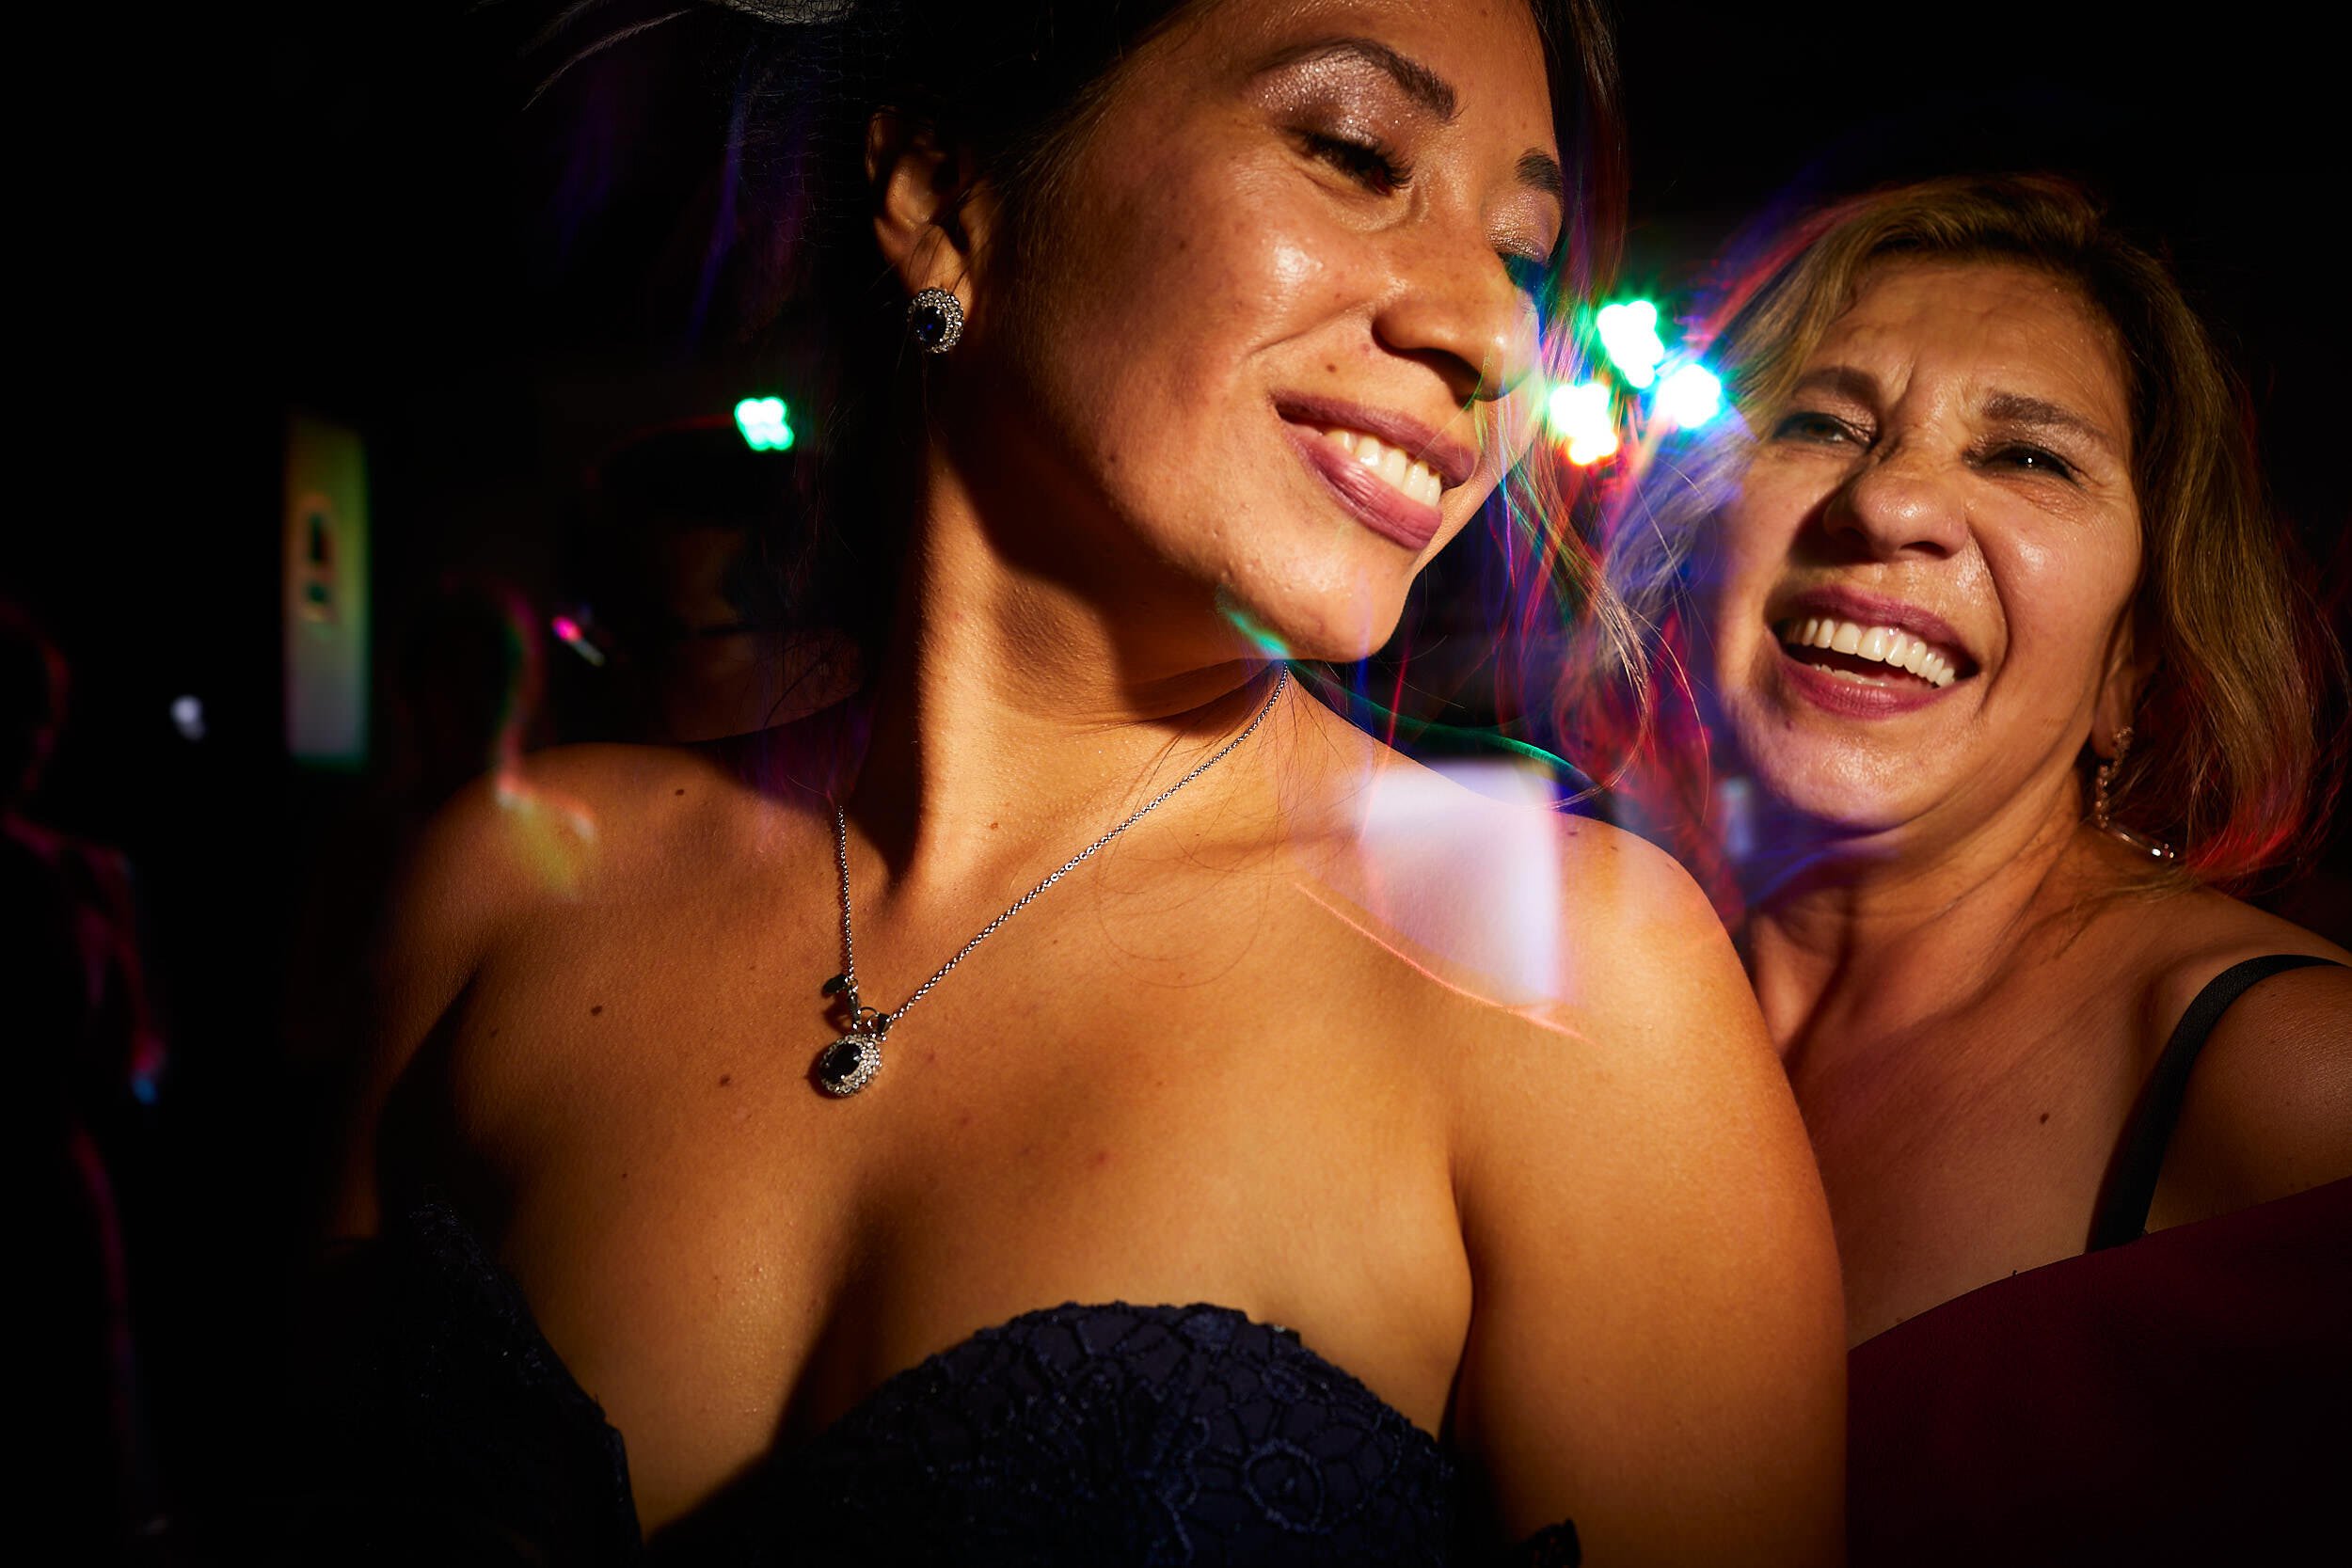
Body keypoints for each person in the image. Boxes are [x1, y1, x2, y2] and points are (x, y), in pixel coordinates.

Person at [317, 1, 1843, 1562]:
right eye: (1352, 152)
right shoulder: (501, 896)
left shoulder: (1573, 978)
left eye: (1523, 250)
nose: (1494, 331)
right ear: (939, 191)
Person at [1604, 174, 2350, 1561]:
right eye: (1823, 423)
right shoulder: (1568, 988)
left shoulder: (2290, 1078)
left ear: (2136, 662)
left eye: (2028, 458)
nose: (1887, 503)